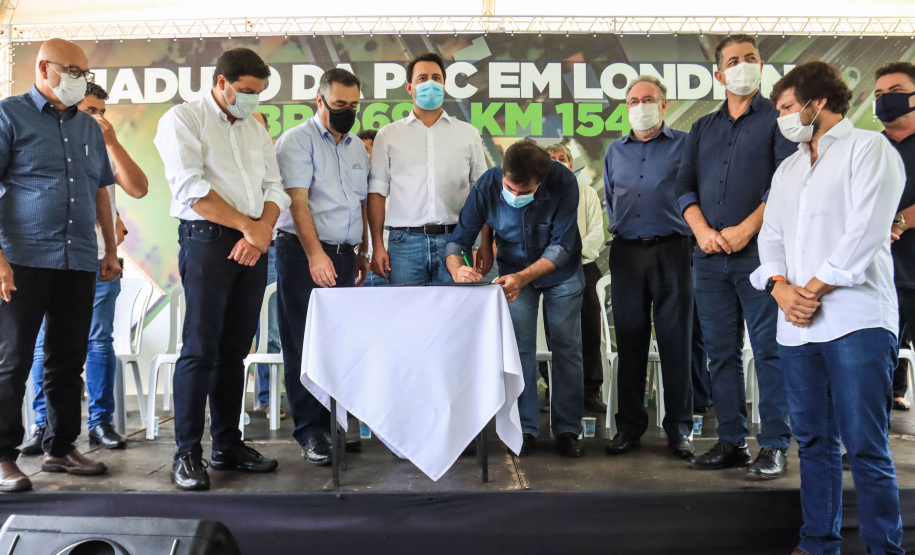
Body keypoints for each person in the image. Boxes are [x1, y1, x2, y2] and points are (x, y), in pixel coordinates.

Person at [755, 60, 904, 555]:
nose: (782, 118)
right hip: (797, 327)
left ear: (818, 103)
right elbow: (771, 238)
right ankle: (818, 541)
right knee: (814, 443)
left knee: (865, 445)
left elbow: (866, 232)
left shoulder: (869, 149)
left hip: (856, 320)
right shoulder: (789, 168)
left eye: (787, 108)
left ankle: (884, 548)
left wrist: (811, 290)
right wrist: (780, 287)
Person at [154, 47, 290, 491]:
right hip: (208, 240)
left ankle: (227, 445)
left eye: (259, 93)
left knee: (235, 351)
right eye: (246, 91)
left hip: (254, 241)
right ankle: (187, 453)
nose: (252, 100)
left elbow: (275, 187)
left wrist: (261, 230)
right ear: (221, 83)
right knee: (200, 348)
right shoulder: (184, 119)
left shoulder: (254, 128)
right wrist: (250, 228)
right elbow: (191, 188)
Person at [0, 39, 119, 492]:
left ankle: (61, 447)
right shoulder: (9, 115)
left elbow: (101, 190)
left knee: (68, 360)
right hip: (22, 260)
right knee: (12, 362)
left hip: (78, 259)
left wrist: (110, 250)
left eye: (83, 73)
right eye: (71, 71)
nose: (78, 80)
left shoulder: (89, 127)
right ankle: (3, 457)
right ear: (43, 67)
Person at [676, 35, 796, 479]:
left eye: (751, 58)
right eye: (733, 61)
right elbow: (683, 185)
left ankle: (775, 444)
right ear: (719, 74)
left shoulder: (778, 120)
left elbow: (784, 182)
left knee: (769, 351)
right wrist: (702, 231)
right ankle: (731, 441)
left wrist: (746, 229)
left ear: (761, 66)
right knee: (720, 354)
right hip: (709, 258)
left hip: (762, 257)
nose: (743, 66)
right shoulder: (701, 128)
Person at [19, 82, 149, 455]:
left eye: (102, 111)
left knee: (98, 341)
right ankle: (42, 424)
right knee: (43, 345)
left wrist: (112, 143)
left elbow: (137, 188)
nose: (97, 117)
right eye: (90, 110)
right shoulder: (49, 140)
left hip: (97, 258)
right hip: (47, 258)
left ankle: (100, 422)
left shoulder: (101, 144)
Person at [446, 139, 585, 458]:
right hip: (512, 272)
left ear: (542, 179)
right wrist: (457, 269)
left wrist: (522, 278)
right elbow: (458, 241)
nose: (516, 196)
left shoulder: (564, 181)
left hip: (560, 274)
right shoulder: (488, 184)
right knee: (519, 349)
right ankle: (524, 429)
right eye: (510, 188)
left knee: (567, 347)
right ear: (503, 172)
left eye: (525, 192)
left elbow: (562, 248)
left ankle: (567, 429)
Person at [274, 68, 370, 466]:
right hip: (304, 253)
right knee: (303, 342)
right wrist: (316, 255)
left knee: (338, 344)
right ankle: (310, 431)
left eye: (353, 105)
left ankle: (334, 425)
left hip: (346, 254)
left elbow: (360, 203)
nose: (347, 111)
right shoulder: (297, 140)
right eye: (339, 104)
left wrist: (362, 249)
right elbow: (297, 201)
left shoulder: (355, 146)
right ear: (320, 100)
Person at [600, 76, 694, 460]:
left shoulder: (685, 144)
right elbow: (611, 198)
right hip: (626, 252)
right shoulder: (614, 151)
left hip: (673, 249)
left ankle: (680, 429)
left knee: (676, 341)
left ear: (664, 104)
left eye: (648, 99)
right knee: (630, 341)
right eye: (633, 101)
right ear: (626, 107)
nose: (641, 106)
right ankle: (629, 428)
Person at [368, 52, 491, 285]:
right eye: (422, 78)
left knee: (454, 306)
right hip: (404, 244)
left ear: (444, 85)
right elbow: (376, 193)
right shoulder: (388, 135)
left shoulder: (468, 133)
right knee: (407, 308)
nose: (430, 84)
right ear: (409, 87)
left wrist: (485, 242)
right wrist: (377, 246)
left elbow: (482, 193)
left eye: (436, 78)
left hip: (456, 240)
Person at [544, 143, 607, 413]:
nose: (558, 162)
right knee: (553, 333)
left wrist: (570, 251)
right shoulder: (538, 195)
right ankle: (555, 389)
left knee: (590, 331)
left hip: (584, 266)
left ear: (571, 165)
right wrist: (556, 257)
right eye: (551, 159)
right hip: (550, 270)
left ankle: (590, 392)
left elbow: (597, 232)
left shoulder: (587, 193)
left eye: (562, 158)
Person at [876, 61, 915, 413]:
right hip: (882, 276)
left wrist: (899, 221)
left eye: (896, 92)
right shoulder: (870, 148)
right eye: (879, 94)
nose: (885, 99)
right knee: (877, 369)